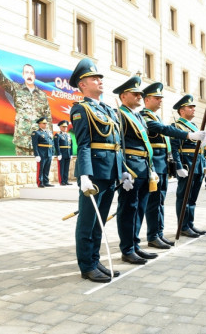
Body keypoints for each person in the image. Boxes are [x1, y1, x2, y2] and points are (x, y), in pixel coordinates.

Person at [69, 58, 124, 283]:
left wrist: (123, 170)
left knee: (100, 221)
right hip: (94, 173)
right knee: (87, 221)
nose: (99, 81)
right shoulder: (81, 109)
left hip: (110, 172)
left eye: (100, 77)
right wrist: (83, 174)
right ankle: (86, 266)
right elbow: (83, 144)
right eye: (94, 78)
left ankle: (95, 260)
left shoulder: (108, 110)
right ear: (83, 85)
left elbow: (116, 143)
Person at [140, 82, 206, 249]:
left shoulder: (156, 117)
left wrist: (203, 162)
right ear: (147, 100)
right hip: (161, 163)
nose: (161, 100)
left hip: (164, 163)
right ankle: (159, 233)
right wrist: (178, 165)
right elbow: (173, 143)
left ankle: (161, 233)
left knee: (163, 202)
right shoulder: (146, 117)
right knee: (160, 202)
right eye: (157, 98)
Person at [113, 76, 158, 264]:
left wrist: (152, 168)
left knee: (139, 209)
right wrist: (123, 171)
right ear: (124, 96)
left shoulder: (138, 115)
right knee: (128, 210)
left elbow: (146, 144)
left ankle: (136, 245)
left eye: (141, 94)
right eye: (136, 93)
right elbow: (118, 144)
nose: (140, 96)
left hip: (144, 167)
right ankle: (127, 249)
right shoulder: (120, 115)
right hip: (131, 169)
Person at [0, 51, 52, 156]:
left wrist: (49, 140)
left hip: (39, 142)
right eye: (26, 72)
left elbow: (48, 118)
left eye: (31, 73)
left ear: (34, 76)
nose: (29, 75)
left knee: (39, 171)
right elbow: (2, 81)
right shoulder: (16, 89)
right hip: (22, 142)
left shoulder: (42, 95)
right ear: (23, 75)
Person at [170, 94, 206, 238]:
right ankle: (183, 226)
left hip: (197, 164)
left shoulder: (195, 126)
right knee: (183, 197)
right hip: (187, 164)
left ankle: (189, 224)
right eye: (190, 107)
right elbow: (174, 148)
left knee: (192, 198)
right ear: (181, 111)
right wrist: (179, 166)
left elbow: (200, 148)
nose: (193, 109)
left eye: (193, 107)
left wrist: (203, 163)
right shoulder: (177, 126)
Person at [31, 117, 54, 187]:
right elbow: (35, 145)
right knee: (41, 168)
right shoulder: (36, 133)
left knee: (47, 168)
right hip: (41, 153)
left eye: (46, 123)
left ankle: (46, 181)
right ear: (39, 124)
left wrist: (52, 153)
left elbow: (51, 143)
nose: (45, 125)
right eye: (44, 123)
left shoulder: (48, 132)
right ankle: (40, 182)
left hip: (49, 153)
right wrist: (36, 154)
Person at [54, 120, 73, 185]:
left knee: (66, 168)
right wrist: (58, 153)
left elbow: (71, 145)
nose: (65, 128)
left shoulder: (68, 135)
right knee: (61, 168)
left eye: (66, 127)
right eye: (63, 127)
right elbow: (57, 145)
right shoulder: (58, 135)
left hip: (67, 153)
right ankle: (61, 181)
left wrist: (71, 153)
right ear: (60, 127)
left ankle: (66, 180)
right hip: (62, 153)